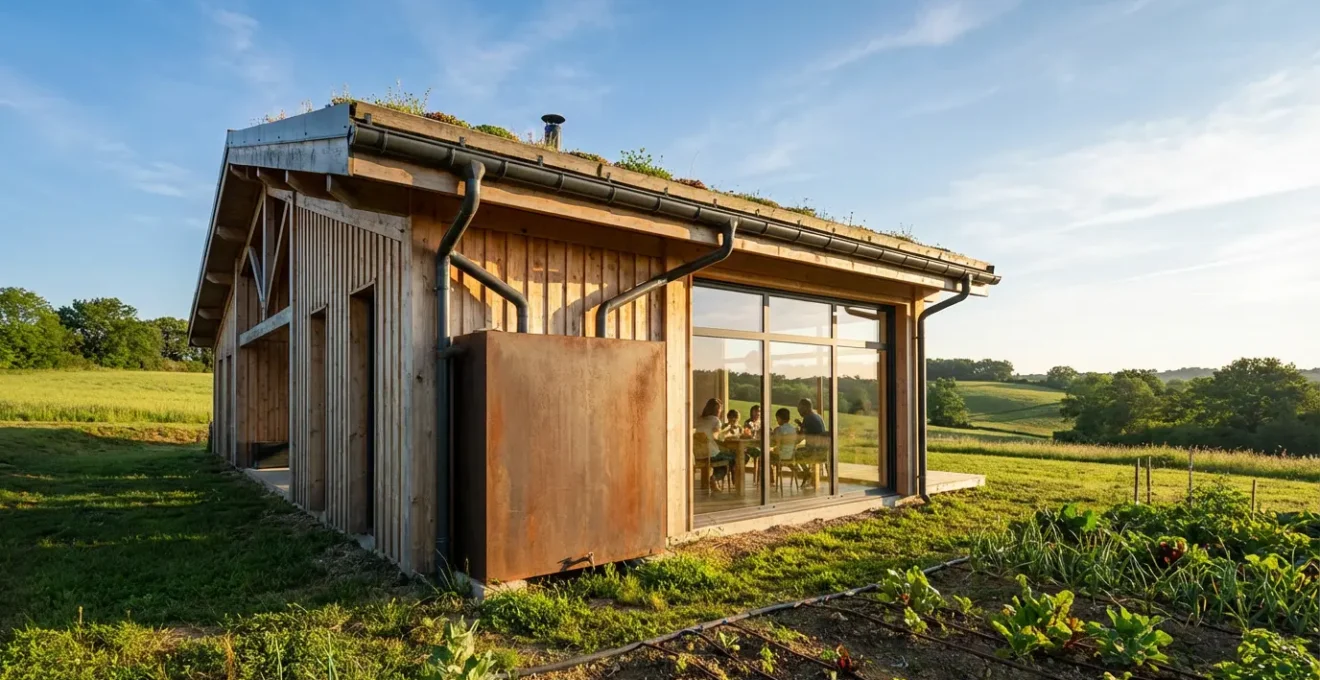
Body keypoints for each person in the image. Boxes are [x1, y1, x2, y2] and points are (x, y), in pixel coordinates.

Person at [695, 398, 733, 483]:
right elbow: (715, 437)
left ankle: (711, 481)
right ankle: (714, 479)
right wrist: (725, 434)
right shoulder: (716, 421)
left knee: (721, 459)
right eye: (720, 409)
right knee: (732, 459)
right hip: (710, 454)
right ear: (718, 410)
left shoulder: (699, 420)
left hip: (697, 454)